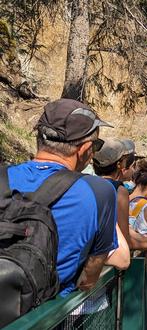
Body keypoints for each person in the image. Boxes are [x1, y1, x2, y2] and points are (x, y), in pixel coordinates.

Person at [7, 98, 119, 297]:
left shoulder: (2, 177)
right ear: (84, 150)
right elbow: (89, 279)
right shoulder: (100, 192)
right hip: (49, 316)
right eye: (96, 144)